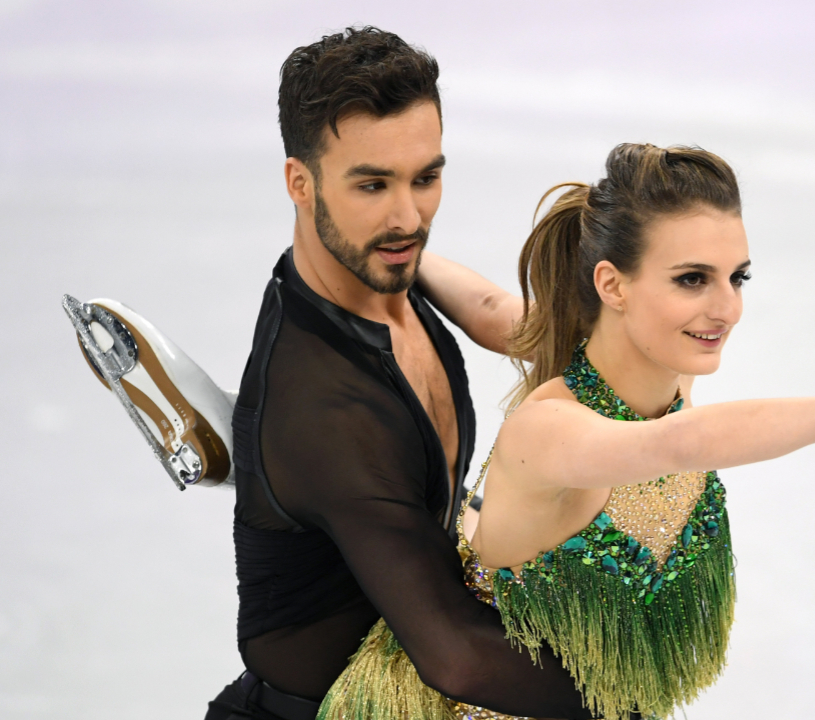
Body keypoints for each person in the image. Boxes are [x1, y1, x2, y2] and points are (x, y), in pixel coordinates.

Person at [320, 143, 815, 720]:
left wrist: (406, 258)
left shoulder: (659, 371)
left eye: (736, 276)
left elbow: (497, 309)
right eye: (692, 279)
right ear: (613, 285)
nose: (728, 307)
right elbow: (681, 445)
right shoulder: (553, 432)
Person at [204, 27, 596, 720]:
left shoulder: (371, 263)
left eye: (426, 177)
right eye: (373, 185)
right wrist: (625, 701)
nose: (409, 216)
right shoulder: (327, 406)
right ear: (301, 183)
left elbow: (492, 310)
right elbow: (453, 654)